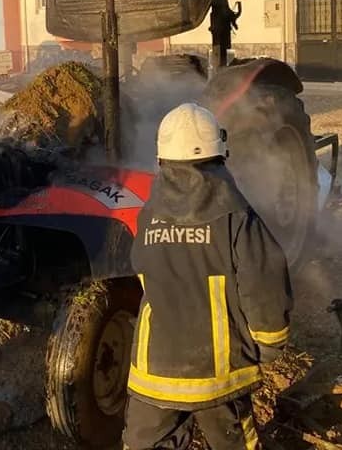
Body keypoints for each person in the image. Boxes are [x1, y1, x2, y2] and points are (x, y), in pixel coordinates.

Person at [123, 103, 292, 450]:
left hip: (154, 372)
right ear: (220, 155)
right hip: (219, 374)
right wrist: (270, 344)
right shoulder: (237, 216)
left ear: (161, 159)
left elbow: (143, 275)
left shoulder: (148, 216)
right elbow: (264, 285)